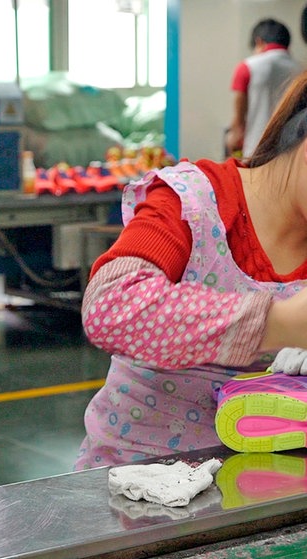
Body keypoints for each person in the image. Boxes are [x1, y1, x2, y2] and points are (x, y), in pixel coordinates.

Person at [75, 69, 307, 469]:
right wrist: (282, 322)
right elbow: (109, 308)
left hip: (263, 486)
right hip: (138, 482)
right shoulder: (194, 201)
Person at [225, 18, 301, 158]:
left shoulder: (247, 67)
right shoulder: (302, 70)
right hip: (292, 153)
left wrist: (234, 136)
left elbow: (238, 121)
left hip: (256, 150)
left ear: (259, 42)